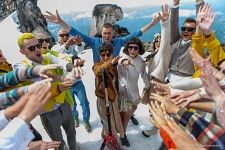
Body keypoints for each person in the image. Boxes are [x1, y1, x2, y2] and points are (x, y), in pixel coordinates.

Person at [14, 33, 78, 150]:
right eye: (31, 48)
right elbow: (30, 73)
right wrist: (57, 78)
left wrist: (70, 66)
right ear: (22, 52)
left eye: (37, 45)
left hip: (63, 104)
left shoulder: (47, 56)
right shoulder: (20, 66)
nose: (37, 49)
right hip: (47, 113)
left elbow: (61, 62)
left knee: (72, 133)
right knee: (58, 143)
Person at [52, 29, 91, 132]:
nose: (65, 37)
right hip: (66, 84)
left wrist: (78, 44)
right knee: (72, 104)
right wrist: (67, 45)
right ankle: (75, 117)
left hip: (77, 82)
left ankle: (86, 120)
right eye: (62, 35)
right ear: (58, 37)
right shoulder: (55, 48)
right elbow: (58, 54)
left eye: (67, 35)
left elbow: (80, 49)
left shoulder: (72, 46)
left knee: (84, 102)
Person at [142, 4, 171, 138]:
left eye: (160, 40)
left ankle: (155, 129)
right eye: (156, 40)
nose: (159, 42)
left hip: (159, 84)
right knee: (153, 108)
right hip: (152, 85)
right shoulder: (152, 54)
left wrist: (164, 23)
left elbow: (165, 42)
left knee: (158, 109)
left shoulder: (164, 53)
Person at [117, 37, 150, 146]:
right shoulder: (124, 57)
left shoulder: (140, 60)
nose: (132, 50)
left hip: (134, 89)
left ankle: (130, 116)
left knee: (133, 107)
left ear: (139, 49)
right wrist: (124, 62)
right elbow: (121, 61)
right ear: (127, 48)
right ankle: (123, 135)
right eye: (130, 47)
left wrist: (148, 84)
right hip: (124, 91)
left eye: (135, 48)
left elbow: (144, 74)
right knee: (125, 115)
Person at [92, 43, 125, 146]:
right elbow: (99, 71)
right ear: (99, 55)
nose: (105, 57)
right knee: (108, 122)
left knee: (113, 120)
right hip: (103, 99)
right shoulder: (96, 65)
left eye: (108, 54)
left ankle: (105, 135)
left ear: (112, 54)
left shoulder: (114, 66)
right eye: (103, 55)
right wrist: (110, 62)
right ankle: (112, 143)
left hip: (113, 97)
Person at [166, 0, 204, 83]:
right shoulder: (175, 40)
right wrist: (175, 4)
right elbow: (173, 24)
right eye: (184, 28)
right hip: (169, 79)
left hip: (187, 81)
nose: (185, 31)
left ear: (195, 31)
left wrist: (199, 2)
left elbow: (201, 23)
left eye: (190, 29)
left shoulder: (196, 44)